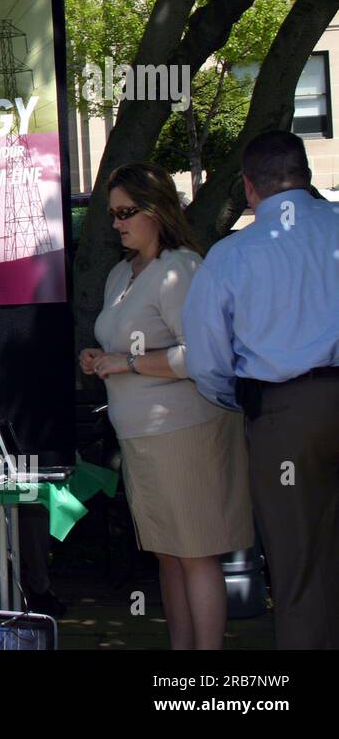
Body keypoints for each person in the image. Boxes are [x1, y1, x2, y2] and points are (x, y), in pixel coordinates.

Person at [80, 163, 252, 650]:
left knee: (195, 553)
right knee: (168, 554)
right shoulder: (122, 272)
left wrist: (129, 362)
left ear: (156, 210)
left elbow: (201, 355)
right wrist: (100, 358)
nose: (116, 223)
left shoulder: (181, 268)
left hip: (185, 431)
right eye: (113, 214)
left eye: (126, 212)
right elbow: (123, 347)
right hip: (141, 436)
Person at [183, 131, 339, 649]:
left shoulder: (232, 255)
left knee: (299, 564)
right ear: (307, 175)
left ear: (249, 187)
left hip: (284, 415)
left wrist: (248, 401)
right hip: (292, 404)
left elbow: (207, 360)